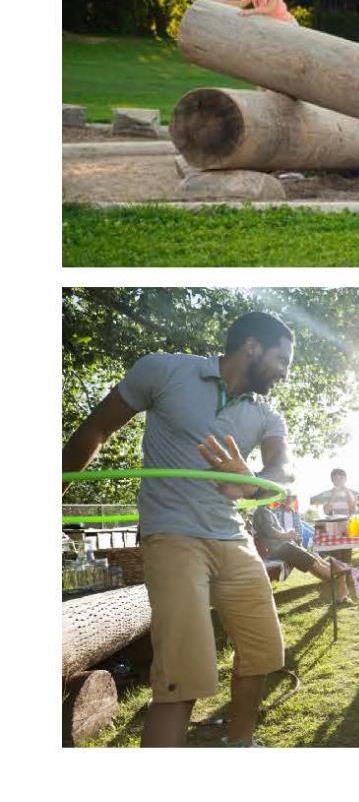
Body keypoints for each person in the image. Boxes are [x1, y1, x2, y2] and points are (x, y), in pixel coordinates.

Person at [61, 311, 296, 747]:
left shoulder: (266, 415)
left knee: (263, 651)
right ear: (251, 347)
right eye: (281, 359)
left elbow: (280, 470)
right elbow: (96, 429)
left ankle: (241, 745)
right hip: (172, 535)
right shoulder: (164, 370)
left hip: (233, 537)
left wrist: (247, 478)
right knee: (183, 675)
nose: (285, 371)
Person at [252, 496, 352, 606]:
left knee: (314, 562)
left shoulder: (265, 511)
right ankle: (342, 582)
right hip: (281, 549)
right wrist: (287, 535)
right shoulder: (262, 512)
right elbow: (271, 532)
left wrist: (290, 538)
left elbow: (271, 532)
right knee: (314, 563)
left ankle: (341, 580)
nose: (274, 497)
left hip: (283, 547)